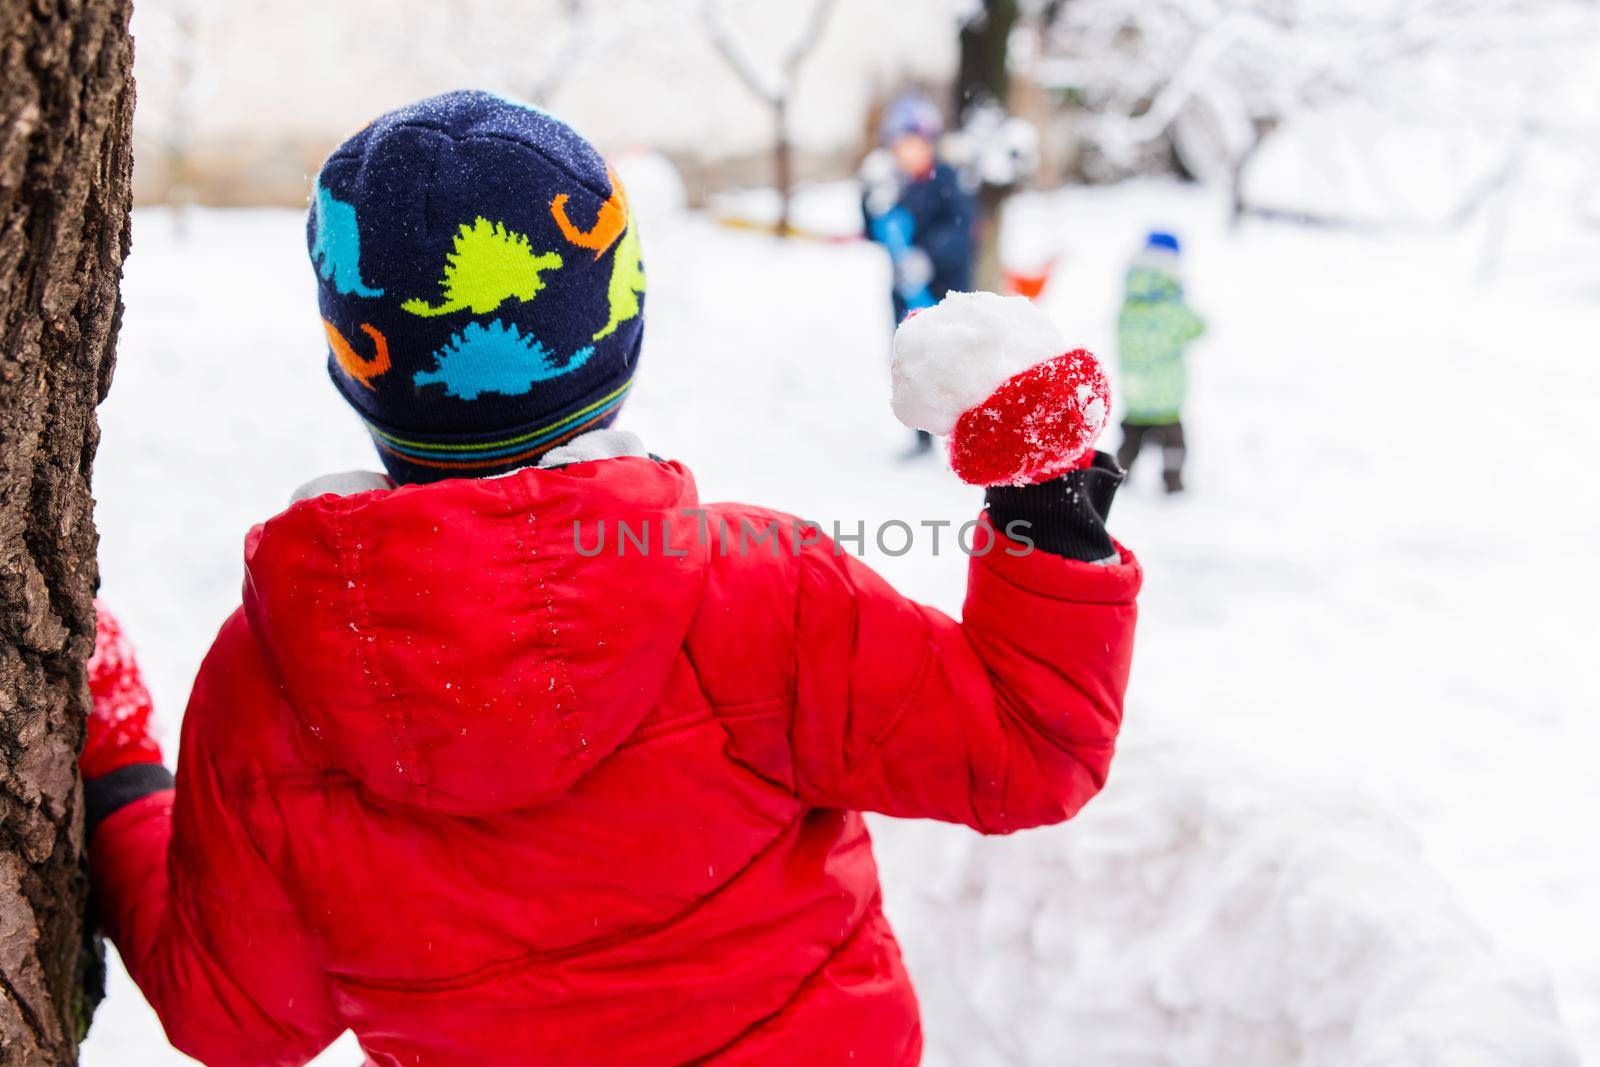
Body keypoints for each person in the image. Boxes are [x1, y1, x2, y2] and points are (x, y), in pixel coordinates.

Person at [82, 91, 1141, 1067]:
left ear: (356, 363)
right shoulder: (757, 595)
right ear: (616, 336)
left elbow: (233, 1015)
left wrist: (121, 768)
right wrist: (1045, 503)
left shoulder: (269, 691)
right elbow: (1027, 745)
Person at [862, 92, 976, 455]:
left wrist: (928, 255)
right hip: (905, 292)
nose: (906, 154)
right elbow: (874, 231)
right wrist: (869, 200)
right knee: (911, 362)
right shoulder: (893, 185)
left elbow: (961, 230)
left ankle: (961, 434)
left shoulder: (945, 180)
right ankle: (921, 435)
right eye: (900, 146)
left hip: (947, 290)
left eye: (914, 145)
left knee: (951, 363)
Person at [1114, 231, 1207, 493]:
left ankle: (1120, 475)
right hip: (1167, 396)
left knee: (1131, 440)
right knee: (1174, 443)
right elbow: (1199, 327)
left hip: (1134, 392)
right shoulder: (1172, 310)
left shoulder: (1127, 307)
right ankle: (1172, 480)